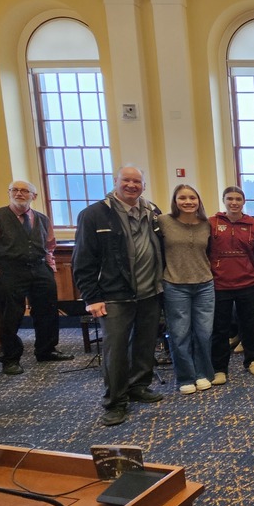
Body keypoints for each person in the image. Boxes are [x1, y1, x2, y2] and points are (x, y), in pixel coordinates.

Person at [73, 166, 165, 426]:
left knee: (145, 344)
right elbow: (83, 260)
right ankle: (115, 401)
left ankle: (138, 386)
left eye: (137, 181)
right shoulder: (94, 214)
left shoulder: (152, 211)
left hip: (149, 292)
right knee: (115, 351)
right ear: (116, 182)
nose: (132, 185)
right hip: (114, 295)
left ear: (143, 186)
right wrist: (91, 297)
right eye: (126, 180)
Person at [0, 179, 72, 375]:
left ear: (33, 196)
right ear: (9, 193)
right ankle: (10, 358)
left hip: (40, 268)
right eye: (14, 190)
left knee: (47, 311)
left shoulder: (42, 219)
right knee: (11, 315)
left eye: (24, 191)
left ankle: (46, 350)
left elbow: (49, 246)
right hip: (9, 271)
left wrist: (49, 267)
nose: (19, 193)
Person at [158, 184, 215, 395]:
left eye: (192, 197)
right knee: (179, 334)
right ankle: (185, 377)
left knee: (204, 333)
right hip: (175, 284)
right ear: (175, 201)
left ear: (199, 201)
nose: (188, 201)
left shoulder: (206, 225)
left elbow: (209, 252)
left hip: (204, 284)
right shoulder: (164, 222)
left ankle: (202, 374)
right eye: (182, 198)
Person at [209, 186, 254, 383]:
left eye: (238, 199)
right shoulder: (212, 223)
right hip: (219, 283)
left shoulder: (253, 225)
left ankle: (252, 360)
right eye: (230, 198)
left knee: (248, 324)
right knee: (220, 328)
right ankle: (220, 368)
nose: (234, 202)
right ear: (224, 200)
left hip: (247, 281)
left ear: (243, 202)